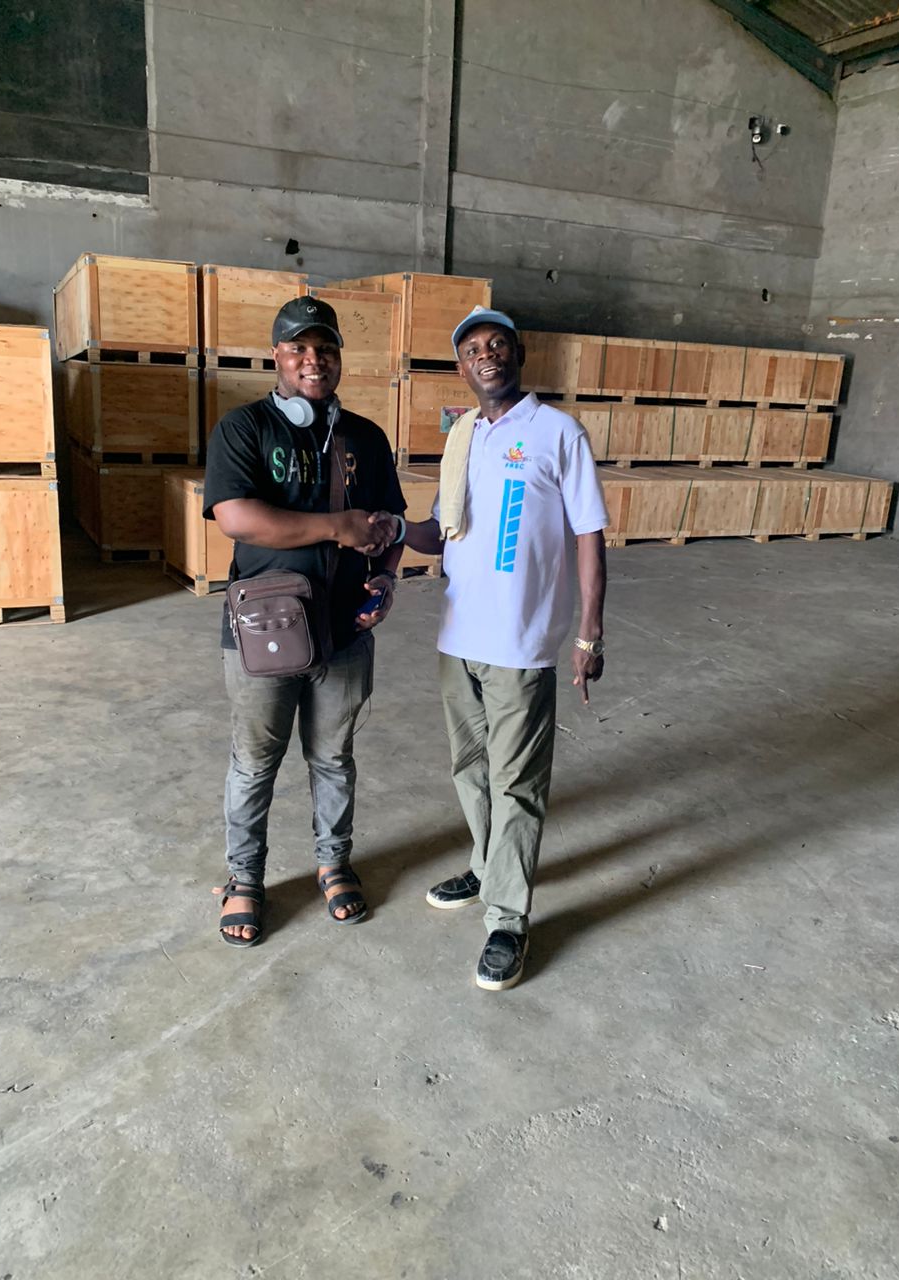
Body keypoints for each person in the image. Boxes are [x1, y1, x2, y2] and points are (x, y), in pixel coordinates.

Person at [393, 306, 609, 990]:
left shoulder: (558, 433)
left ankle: (508, 919)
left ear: (518, 355)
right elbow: (439, 530)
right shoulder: (463, 436)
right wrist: (382, 529)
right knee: (469, 768)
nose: (485, 355)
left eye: (497, 344)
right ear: (461, 367)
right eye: (471, 349)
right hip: (458, 636)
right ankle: (486, 867)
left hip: (521, 644)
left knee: (517, 784)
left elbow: (589, 536)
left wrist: (589, 632)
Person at [203, 296, 405, 947]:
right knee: (255, 761)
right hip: (263, 632)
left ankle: (333, 863)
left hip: (345, 631)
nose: (313, 360)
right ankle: (245, 878)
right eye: (298, 348)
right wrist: (336, 527)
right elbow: (236, 517)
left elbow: (391, 523)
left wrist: (386, 574)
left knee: (334, 758)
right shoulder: (245, 428)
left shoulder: (365, 438)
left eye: (325, 349)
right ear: (277, 356)